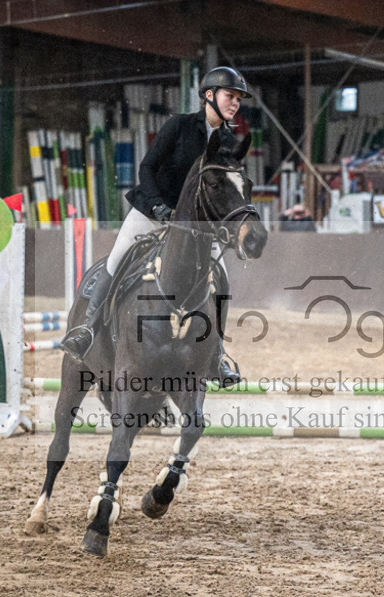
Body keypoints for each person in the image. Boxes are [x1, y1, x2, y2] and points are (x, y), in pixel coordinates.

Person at [60, 66, 251, 386]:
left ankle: (216, 352)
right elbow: (147, 167)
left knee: (221, 276)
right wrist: (158, 206)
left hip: (195, 226)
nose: (235, 103)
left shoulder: (228, 139)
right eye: (230, 96)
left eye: (238, 99)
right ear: (209, 95)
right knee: (118, 258)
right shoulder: (178, 126)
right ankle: (87, 330)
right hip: (152, 211)